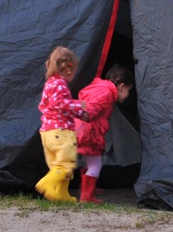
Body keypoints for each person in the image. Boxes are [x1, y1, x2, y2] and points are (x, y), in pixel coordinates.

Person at [75, 64, 134, 203]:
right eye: (128, 90)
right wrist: (88, 114)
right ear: (121, 86)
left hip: (81, 130)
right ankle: (86, 196)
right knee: (96, 164)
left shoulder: (97, 86)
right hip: (90, 132)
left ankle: (86, 188)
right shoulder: (106, 93)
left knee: (88, 162)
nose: (128, 95)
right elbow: (91, 110)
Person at [36, 46, 89, 202]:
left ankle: (61, 195)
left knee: (58, 167)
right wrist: (79, 105)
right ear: (68, 69)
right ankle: (46, 183)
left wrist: (81, 114)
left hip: (48, 132)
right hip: (61, 131)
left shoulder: (50, 84)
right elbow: (60, 104)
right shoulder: (59, 84)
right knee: (66, 165)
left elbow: (59, 107)